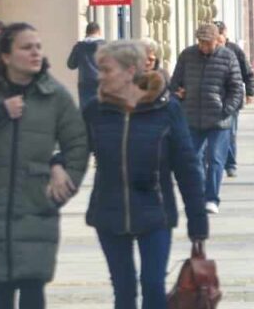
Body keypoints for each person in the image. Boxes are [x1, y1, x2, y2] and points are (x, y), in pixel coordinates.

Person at [0, 22, 90, 309]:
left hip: (36, 206)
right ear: (6, 56)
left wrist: (63, 174)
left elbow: (78, 143)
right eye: (27, 48)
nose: (36, 53)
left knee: (33, 289)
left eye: (38, 46)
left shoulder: (54, 95)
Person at [83, 41, 208, 309]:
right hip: (109, 210)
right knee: (124, 290)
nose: (99, 75)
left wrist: (198, 221)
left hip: (156, 211)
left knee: (153, 286)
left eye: (106, 69)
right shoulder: (96, 110)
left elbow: (187, 168)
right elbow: (75, 152)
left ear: (130, 71)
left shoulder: (166, 109)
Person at [170, 23, 244, 215]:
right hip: (192, 116)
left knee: (215, 159)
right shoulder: (187, 55)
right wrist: (178, 93)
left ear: (216, 41)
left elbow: (236, 87)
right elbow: (174, 82)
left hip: (219, 119)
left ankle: (211, 198)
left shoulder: (228, 56)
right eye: (201, 42)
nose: (204, 46)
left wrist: (227, 109)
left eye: (208, 43)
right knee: (192, 160)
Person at [217, 22, 254, 179]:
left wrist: (251, 91)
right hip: (213, 99)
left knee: (230, 132)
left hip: (232, 98)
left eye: (222, 33)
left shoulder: (234, 50)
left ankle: (230, 164)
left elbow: (247, 71)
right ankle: (218, 162)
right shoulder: (206, 51)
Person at [66, 22, 106, 107]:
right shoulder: (105, 46)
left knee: (86, 109)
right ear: (99, 32)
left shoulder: (79, 47)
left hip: (84, 82)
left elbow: (71, 65)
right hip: (101, 81)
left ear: (86, 33)